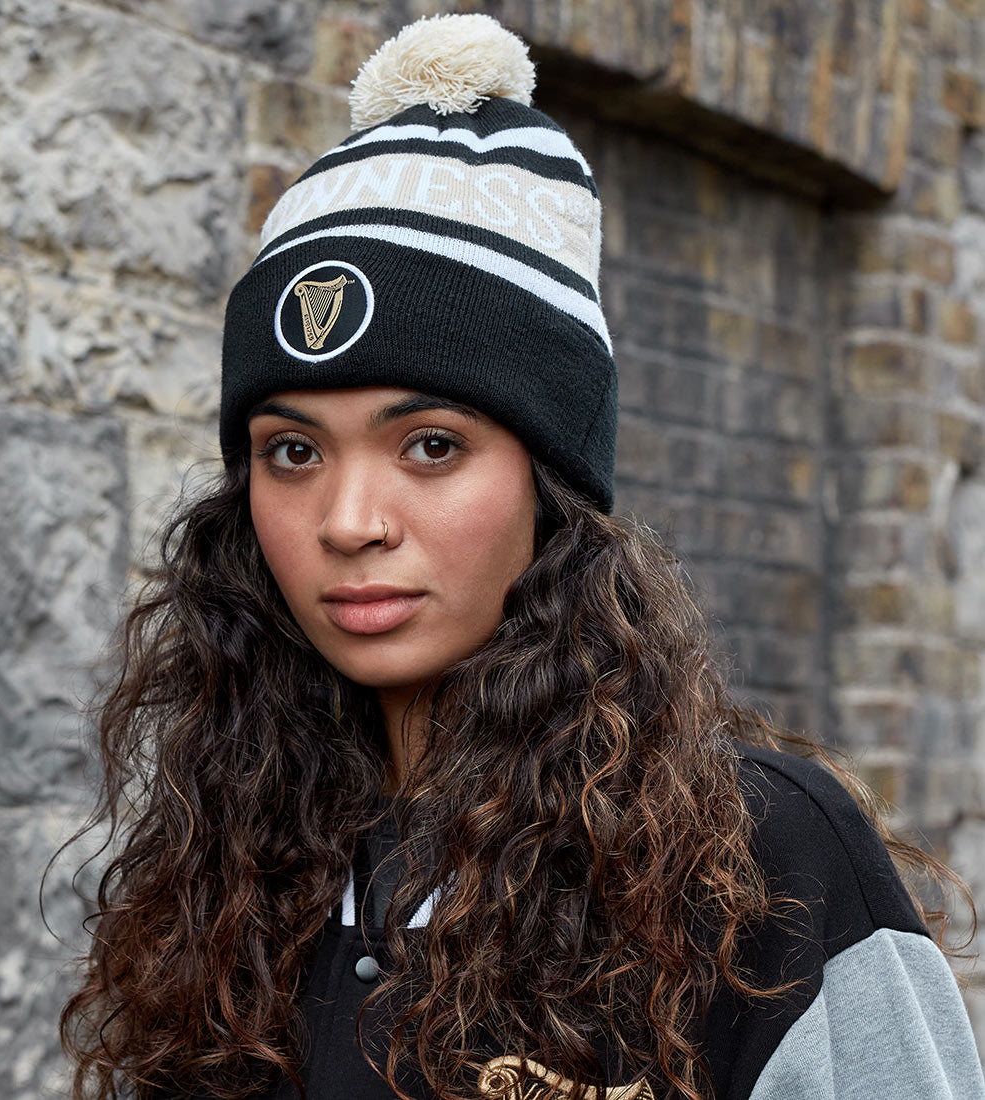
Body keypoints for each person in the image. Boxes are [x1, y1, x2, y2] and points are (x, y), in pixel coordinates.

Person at [58, 14, 985, 1100]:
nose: (349, 517)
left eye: (431, 445)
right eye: (292, 449)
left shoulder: (763, 864)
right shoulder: (230, 867)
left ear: (550, 485)